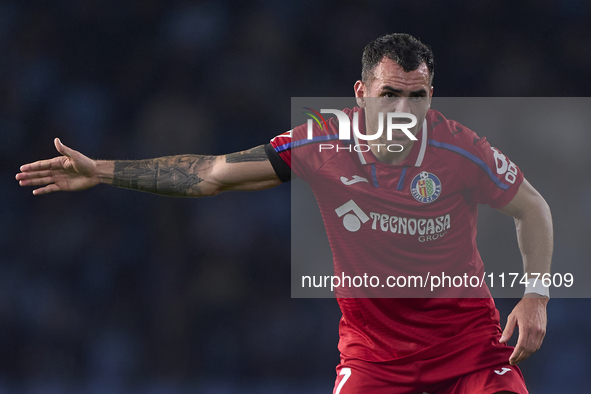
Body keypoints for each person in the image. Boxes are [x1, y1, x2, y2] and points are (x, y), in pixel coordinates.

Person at [16, 33, 552, 394]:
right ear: (362, 94)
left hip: (470, 353)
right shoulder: (321, 141)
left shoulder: (462, 152)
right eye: (389, 95)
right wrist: (104, 170)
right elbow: (212, 174)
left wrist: (535, 295)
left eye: (416, 98)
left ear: (431, 97)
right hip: (373, 359)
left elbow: (534, 209)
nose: (402, 112)